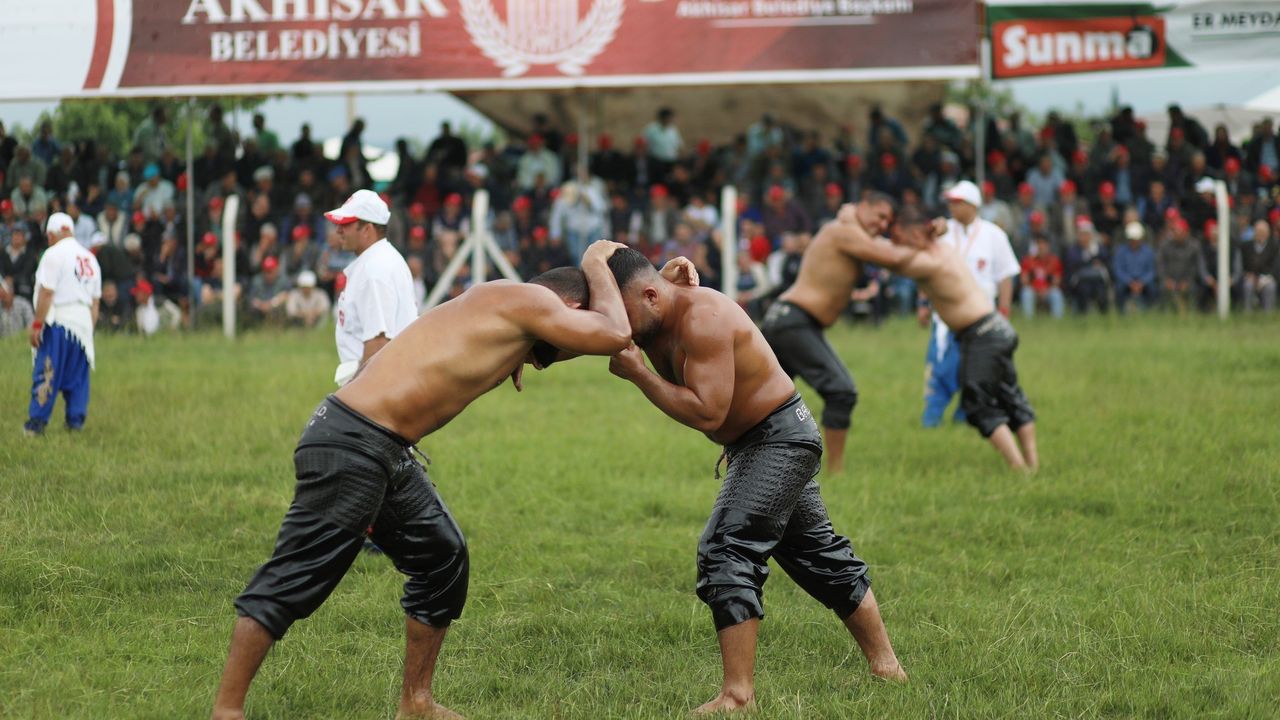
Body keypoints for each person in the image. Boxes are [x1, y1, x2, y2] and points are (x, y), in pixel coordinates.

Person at [210, 241, 637, 720]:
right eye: (566, 340)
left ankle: (416, 703)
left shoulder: (500, 304)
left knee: (441, 558)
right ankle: (227, 710)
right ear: (570, 307)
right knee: (296, 575)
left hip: (379, 446)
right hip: (354, 444)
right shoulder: (533, 302)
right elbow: (616, 332)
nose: (548, 361)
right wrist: (597, 261)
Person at [604, 248, 906, 714]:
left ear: (650, 296)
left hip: (778, 440)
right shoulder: (652, 307)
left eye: (621, 313)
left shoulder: (702, 317)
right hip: (767, 439)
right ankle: (888, 668)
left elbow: (709, 411)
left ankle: (737, 695)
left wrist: (640, 376)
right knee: (817, 553)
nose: (616, 327)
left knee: (726, 548)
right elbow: (601, 315)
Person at [833, 204, 1039, 470]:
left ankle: (1020, 468)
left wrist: (852, 223)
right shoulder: (945, 249)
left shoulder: (928, 262)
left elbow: (885, 256)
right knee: (1010, 394)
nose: (896, 242)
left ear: (915, 234)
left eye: (898, 236)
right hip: (997, 329)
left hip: (983, 335)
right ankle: (1032, 466)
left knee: (979, 405)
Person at [759, 192, 896, 474]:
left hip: (787, 320)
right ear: (861, 207)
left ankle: (759, 466)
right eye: (879, 216)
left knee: (767, 403)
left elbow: (882, 246)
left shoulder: (850, 229)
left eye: (888, 221)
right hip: (793, 322)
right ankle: (836, 472)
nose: (883, 224)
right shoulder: (843, 230)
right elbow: (889, 256)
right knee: (841, 390)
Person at [919, 181, 1018, 428]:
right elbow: (924, 268)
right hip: (945, 317)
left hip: (981, 318)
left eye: (957, 202)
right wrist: (923, 303)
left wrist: (1004, 311)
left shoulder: (994, 235)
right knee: (941, 367)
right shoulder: (942, 231)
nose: (951, 206)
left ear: (972, 205)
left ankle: (965, 416)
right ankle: (931, 419)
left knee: (976, 369)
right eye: (950, 201)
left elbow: (1005, 276)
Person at [326, 190, 418, 386]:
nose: (338, 230)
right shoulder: (379, 260)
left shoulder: (374, 270)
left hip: (380, 386)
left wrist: (358, 396)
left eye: (346, 224)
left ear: (367, 230)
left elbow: (378, 342)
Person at [24, 213, 102, 436]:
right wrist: (89, 331)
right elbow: (95, 303)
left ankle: (37, 423)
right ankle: (75, 422)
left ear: (51, 234)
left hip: (59, 321)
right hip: (84, 323)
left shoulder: (53, 254)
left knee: (48, 370)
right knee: (77, 377)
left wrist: (38, 324)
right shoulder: (90, 259)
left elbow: (47, 292)